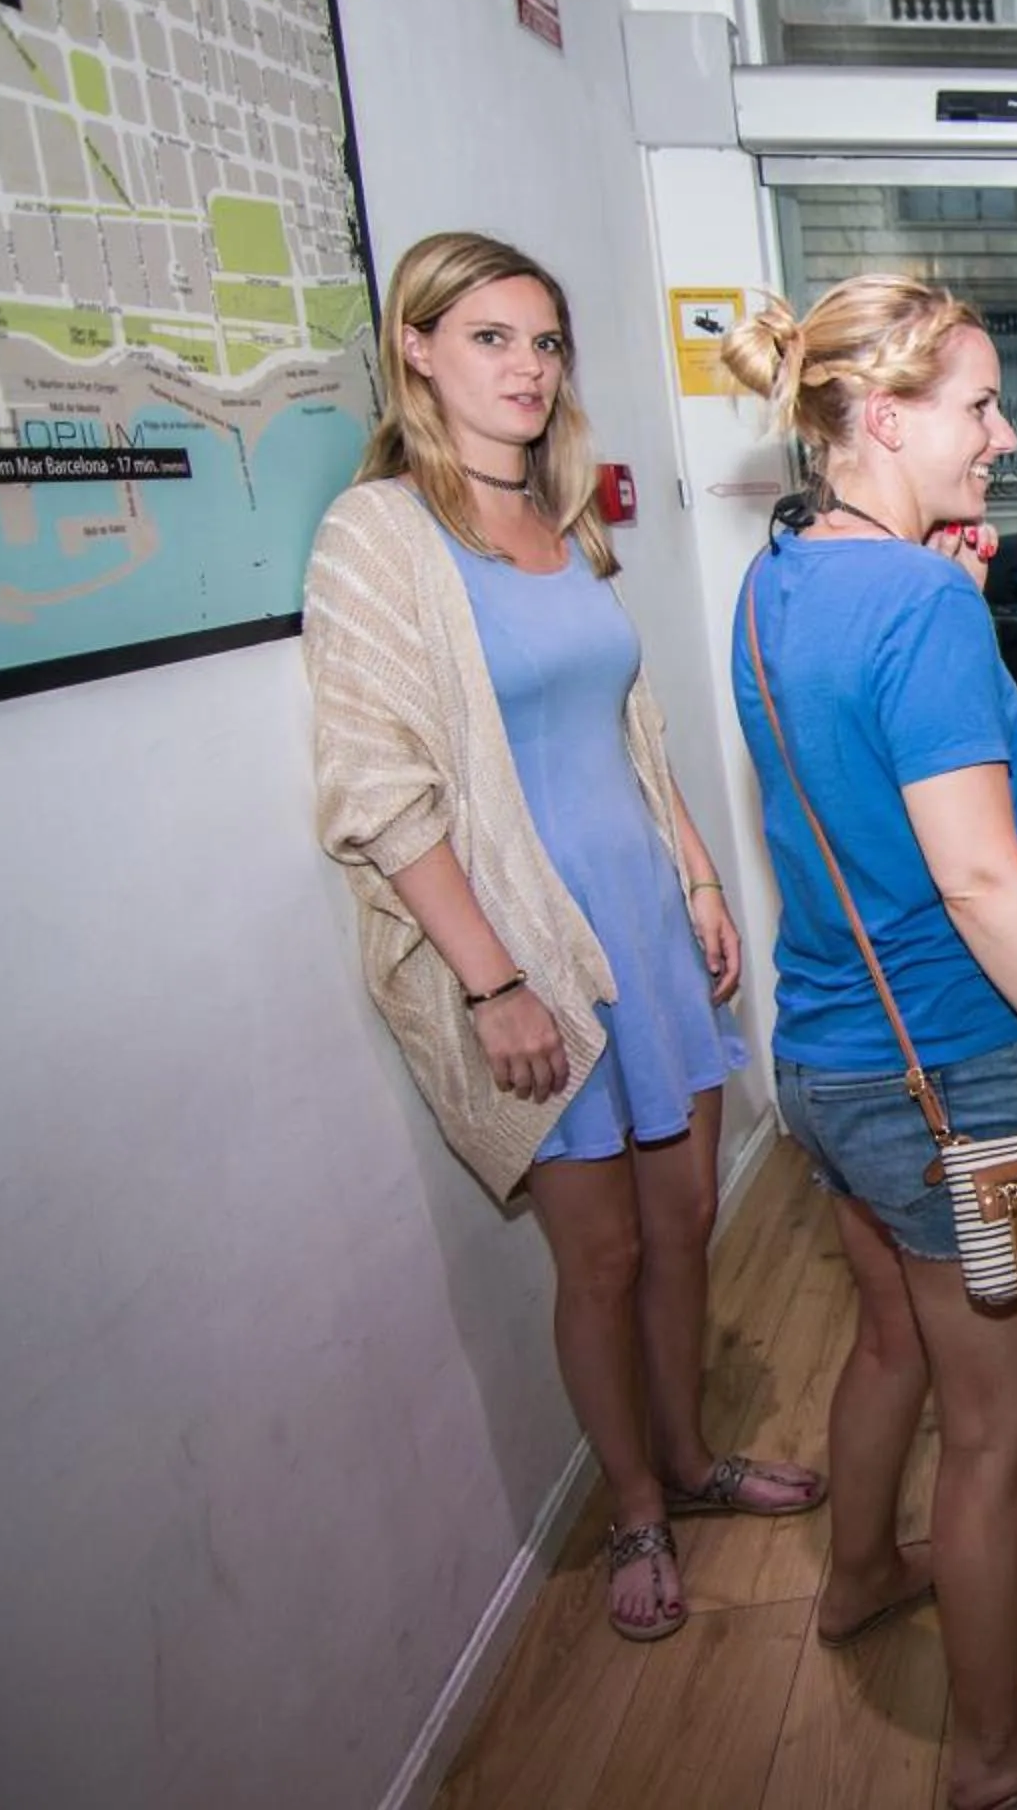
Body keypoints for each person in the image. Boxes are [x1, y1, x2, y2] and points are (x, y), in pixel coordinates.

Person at [304, 232, 819, 1647]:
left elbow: (628, 733)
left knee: (685, 1224)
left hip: (648, 931)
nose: (527, 369)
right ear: (415, 349)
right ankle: (635, 1508)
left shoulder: (560, 516)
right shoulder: (382, 535)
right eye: (490, 339)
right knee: (597, 1261)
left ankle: (696, 1458)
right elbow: (376, 787)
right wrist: (495, 983)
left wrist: (704, 882)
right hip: (533, 952)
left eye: (544, 343)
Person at [719, 276, 1017, 1810]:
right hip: (955, 1073)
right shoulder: (910, 602)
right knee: (994, 1433)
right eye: (977, 405)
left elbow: (850, 792)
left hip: (829, 1054)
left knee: (891, 1335)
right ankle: (993, 1746)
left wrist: (945, 599)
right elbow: (979, 877)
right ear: (885, 416)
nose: (1003, 433)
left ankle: (853, 1577)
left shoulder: (777, 576)